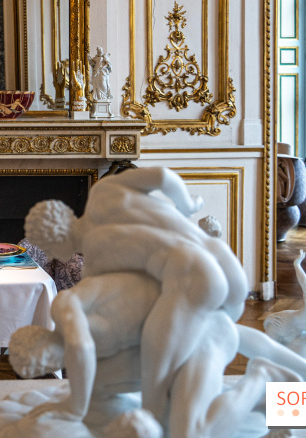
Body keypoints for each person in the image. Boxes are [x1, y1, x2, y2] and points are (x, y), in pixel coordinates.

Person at [23, 167, 249, 422]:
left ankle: (263, 390)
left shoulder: (96, 261)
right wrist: (187, 204)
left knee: (156, 395)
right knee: (209, 357)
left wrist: (77, 403)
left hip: (194, 279)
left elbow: (92, 331)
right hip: (224, 263)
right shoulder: (103, 193)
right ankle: (283, 394)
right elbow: (163, 177)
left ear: (52, 244)